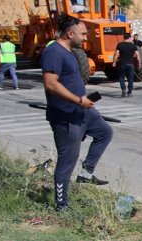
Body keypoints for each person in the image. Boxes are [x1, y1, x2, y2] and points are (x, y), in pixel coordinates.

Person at [40, 14, 113, 211]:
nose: (85, 37)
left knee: (105, 133)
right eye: (82, 34)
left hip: (82, 111)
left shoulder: (69, 51)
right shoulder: (54, 52)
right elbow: (50, 84)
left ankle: (86, 173)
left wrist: (83, 100)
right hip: (66, 115)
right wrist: (78, 100)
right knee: (67, 162)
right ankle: (61, 205)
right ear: (70, 33)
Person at [112, 32, 140, 97]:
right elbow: (138, 55)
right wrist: (139, 63)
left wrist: (114, 62)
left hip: (122, 64)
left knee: (121, 78)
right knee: (130, 78)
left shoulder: (120, 45)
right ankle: (129, 92)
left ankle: (123, 89)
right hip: (130, 64)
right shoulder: (133, 46)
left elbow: (116, 54)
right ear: (129, 38)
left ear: (124, 38)